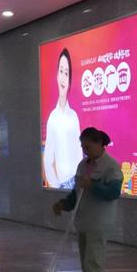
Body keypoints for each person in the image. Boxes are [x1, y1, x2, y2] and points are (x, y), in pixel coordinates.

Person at [51, 127, 123, 272]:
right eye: (82, 147)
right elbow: (77, 193)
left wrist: (93, 186)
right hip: (83, 222)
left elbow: (113, 192)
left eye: (88, 146)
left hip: (99, 223)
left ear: (100, 144)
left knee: (93, 264)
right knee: (87, 265)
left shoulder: (111, 166)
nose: (85, 150)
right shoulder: (82, 165)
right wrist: (63, 204)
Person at [43, 48, 81, 189]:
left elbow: (79, 153)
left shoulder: (74, 116)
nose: (63, 77)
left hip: (78, 183)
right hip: (63, 186)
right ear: (57, 75)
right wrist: (57, 186)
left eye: (66, 73)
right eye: (61, 71)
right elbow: (48, 161)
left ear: (70, 80)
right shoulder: (52, 118)